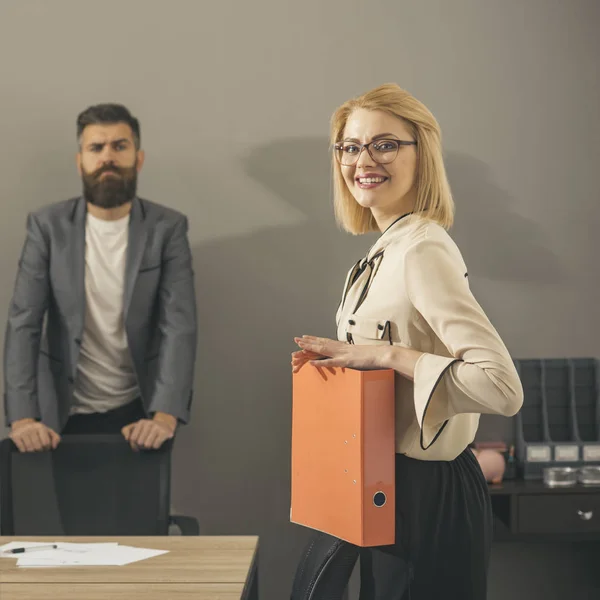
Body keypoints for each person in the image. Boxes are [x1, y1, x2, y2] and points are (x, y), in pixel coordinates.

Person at [291, 84, 523, 600]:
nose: (363, 160)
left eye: (385, 144)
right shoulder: (381, 250)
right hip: (382, 482)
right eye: (350, 146)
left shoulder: (423, 248)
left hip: (430, 492)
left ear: (422, 155)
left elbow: (501, 388)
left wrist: (385, 354)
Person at [4, 103, 197, 453]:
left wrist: (164, 415)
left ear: (138, 159)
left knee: (138, 510)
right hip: (58, 417)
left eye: (119, 146)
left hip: (140, 416)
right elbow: (23, 323)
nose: (108, 157)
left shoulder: (167, 228)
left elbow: (178, 325)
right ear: (80, 161)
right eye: (96, 148)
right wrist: (23, 418)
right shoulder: (47, 227)